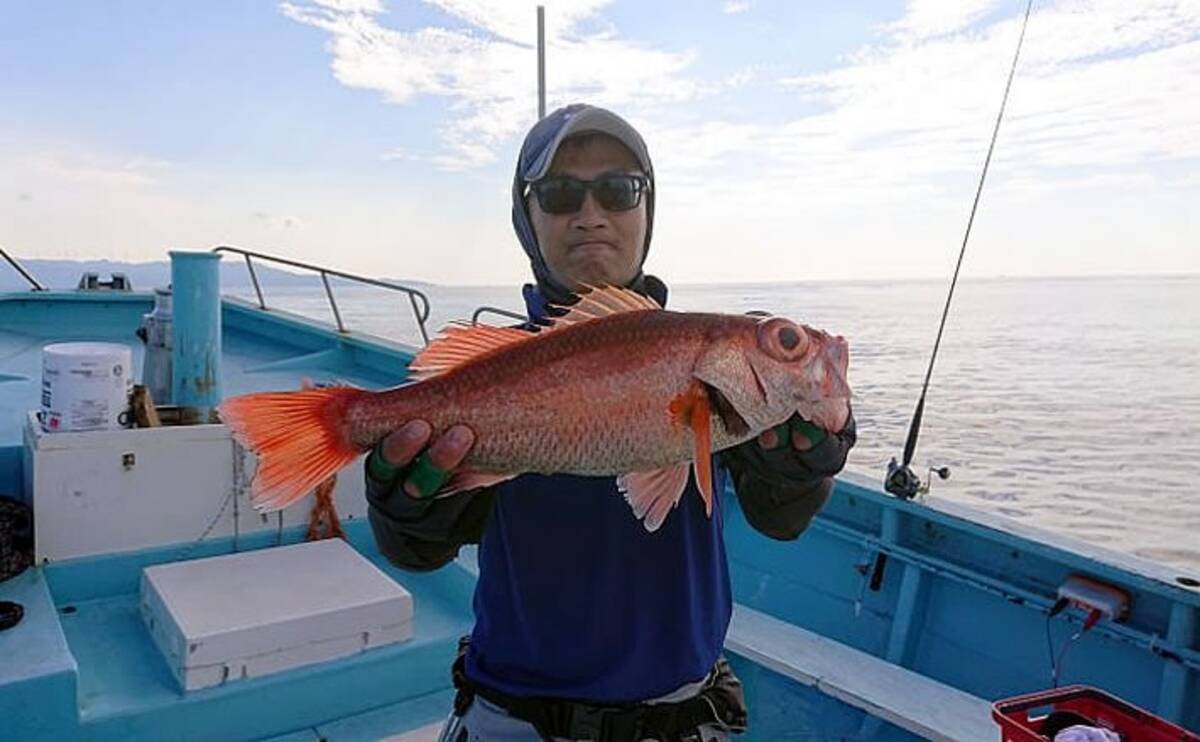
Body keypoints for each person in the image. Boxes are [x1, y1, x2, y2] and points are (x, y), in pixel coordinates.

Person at [365, 104, 857, 741]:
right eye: (561, 193)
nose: (590, 214)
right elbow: (419, 553)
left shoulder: (707, 359)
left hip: (683, 719)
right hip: (512, 721)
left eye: (619, 190)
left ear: (648, 209)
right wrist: (404, 512)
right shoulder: (492, 369)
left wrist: (800, 472)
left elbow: (780, 519)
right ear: (527, 217)